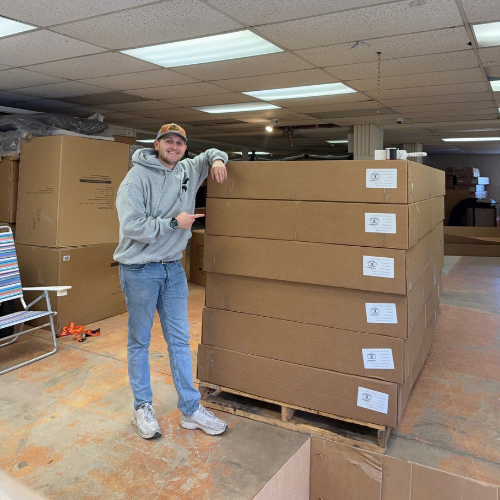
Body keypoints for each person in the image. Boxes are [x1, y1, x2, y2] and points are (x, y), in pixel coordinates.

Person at [114, 123, 229, 439]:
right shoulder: (136, 179)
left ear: (184, 148)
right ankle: (142, 408)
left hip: (174, 270)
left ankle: (191, 409)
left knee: (179, 340)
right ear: (156, 145)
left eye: (179, 142)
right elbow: (132, 225)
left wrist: (218, 160)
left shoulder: (189, 169)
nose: (174, 146)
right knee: (140, 341)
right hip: (140, 269)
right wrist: (172, 224)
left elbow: (213, 152)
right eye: (168, 141)